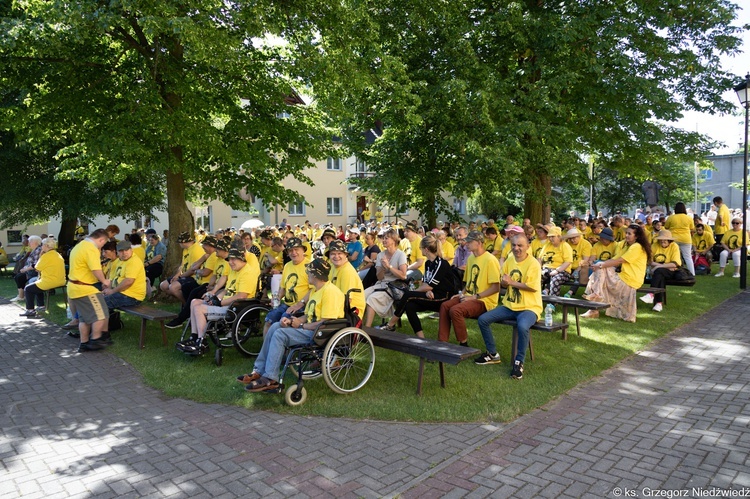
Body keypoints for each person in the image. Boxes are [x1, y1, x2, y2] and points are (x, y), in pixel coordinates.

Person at [237, 258, 344, 392]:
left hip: (319, 333)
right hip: (311, 329)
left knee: (280, 334)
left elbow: (325, 322)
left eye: (309, 272)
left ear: (316, 275)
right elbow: (311, 315)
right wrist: (292, 320)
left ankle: (271, 378)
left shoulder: (330, 292)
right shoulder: (316, 290)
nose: (307, 275)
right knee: (276, 326)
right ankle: (259, 370)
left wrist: (300, 326)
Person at [475, 234, 542, 380]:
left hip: (529, 307)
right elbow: (504, 281)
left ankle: (519, 362)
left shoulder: (533, 263)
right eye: (514, 245)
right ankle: (492, 354)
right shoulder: (510, 260)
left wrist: (510, 282)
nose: (516, 248)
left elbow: (532, 287)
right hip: (510, 305)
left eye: (520, 245)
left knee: (523, 326)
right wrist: (505, 282)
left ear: (527, 247)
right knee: (483, 319)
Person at [178, 248, 259, 353]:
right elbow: (226, 290)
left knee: (199, 309)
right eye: (229, 259)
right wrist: (215, 298)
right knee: (194, 302)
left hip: (236, 308)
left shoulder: (248, 273)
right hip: (226, 304)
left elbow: (241, 296)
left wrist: (219, 303)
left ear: (242, 259)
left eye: (233, 259)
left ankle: (202, 342)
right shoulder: (234, 271)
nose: (230, 262)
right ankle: (194, 337)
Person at [379, 233, 460, 337]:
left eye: (421, 248)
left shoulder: (441, 263)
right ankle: (421, 338)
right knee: (409, 305)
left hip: (444, 297)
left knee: (408, 295)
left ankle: (390, 324)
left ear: (426, 249)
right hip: (432, 294)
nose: (420, 250)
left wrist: (421, 290)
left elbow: (430, 286)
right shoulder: (428, 263)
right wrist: (427, 291)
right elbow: (427, 284)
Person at [438, 230, 500, 347]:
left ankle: (463, 343)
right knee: (445, 305)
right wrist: (461, 293)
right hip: (469, 297)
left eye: (470, 242)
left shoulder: (490, 260)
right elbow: (470, 281)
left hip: (484, 301)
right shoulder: (471, 258)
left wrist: (474, 297)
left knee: (455, 310)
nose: (467, 244)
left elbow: (496, 287)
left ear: (479, 243)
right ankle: (442, 342)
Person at [582, 224, 651, 322]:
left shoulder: (637, 247)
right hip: (624, 276)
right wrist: (600, 264)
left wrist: (601, 265)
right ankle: (594, 304)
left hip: (631, 280)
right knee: (600, 269)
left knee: (601, 268)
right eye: (626, 233)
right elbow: (615, 258)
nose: (626, 235)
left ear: (636, 236)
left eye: (629, 234)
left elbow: (619, 261)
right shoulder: (628, 246)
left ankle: (594, 305)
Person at [67, 229, 112, 351]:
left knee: (84, 318)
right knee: (101, 314)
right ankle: (95, 340)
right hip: (85, 289)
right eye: (103, 243)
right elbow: (95, 269)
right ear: (101, 239)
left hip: (74, 287)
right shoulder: (91, 249)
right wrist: (104, 281)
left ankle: (84, 343)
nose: (102, 246)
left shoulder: (79, 246)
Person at [262, 237, 313, 335]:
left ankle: (279, 348)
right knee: (268, 320)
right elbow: (283, 288)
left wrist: (300, 304)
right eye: (290, 250)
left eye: (296, 249)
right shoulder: (287, 266)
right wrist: (276, 298)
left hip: (303, 306)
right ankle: (266, 349)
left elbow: (313, 290)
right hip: (287, 304)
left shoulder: (309, 266)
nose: (293, 253)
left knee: (282, 322)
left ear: (303, 250)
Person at [363, 228, 408, 328]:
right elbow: (379, 277)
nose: (383, 240)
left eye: (386, 238)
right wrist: (383, 268)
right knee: (361, 296)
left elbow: (403, 275)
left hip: (395, 286)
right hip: (381, 284)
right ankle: (357, 325)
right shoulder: (381, 255)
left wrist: (389, 267)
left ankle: (367, 328)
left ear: (393, 240)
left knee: (372, 298)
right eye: (383, 238)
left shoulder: (401, 255)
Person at [19, 238, 66, 318]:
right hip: (61, 280)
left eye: (42, 245)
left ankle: (30, 310)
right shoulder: (57, 254)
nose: (41, 247)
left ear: (47, 246)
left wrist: (41, 255)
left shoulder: (46, 256)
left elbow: (37, 268)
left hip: (50, 281)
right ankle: (41, 306)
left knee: (28, 288)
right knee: (36, 283)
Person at [640, 230, 681, 312]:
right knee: (660, 275)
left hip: (671, 271)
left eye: (665, 241)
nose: (662, 242)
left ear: (669, 241)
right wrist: (660, 267)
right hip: (659, 271)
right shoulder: (654, 245)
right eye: (661, 240)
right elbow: (649, 261)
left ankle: (651, 294)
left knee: (659, 271)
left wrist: (657, 267)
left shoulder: (674, 246)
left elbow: (675, 264)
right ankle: (659, 303)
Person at [159, 231, 206, 303]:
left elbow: (193, 269)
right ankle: (186, 302)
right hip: (184, 275)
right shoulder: (185, 249)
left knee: (173, 288)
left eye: (179, 243)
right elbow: (182, 265)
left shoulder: (196, 250)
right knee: (163, 285)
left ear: (183, 242)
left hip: (193, 277)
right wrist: (177, 275)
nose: (179, 244)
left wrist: (180, 277)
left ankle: (187, 305)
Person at [327, 239, 366, 320]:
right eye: (333, 254)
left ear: (346, 255)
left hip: (351, 313)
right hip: (337, 307)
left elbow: (347, 301)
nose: (336, 256)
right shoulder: (333, 267)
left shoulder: (347, 271)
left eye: (339, 253)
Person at [538, 226, 572, 296]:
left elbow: (568, 262)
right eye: (549, 236)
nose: (550, 238)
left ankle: (552, 303)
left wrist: (557, 271)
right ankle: (534, 297)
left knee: (555, 279)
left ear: (559, 236)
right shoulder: (547, 245)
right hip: (547, 269)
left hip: (563, 271)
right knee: (536, 276)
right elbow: (539, 258)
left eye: (553, 236)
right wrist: (539, 268)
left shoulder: (565, 246)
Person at [664, 202, 695, 276]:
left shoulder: (671, 217)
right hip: (686, 239)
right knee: (688, 257)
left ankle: (672, 272)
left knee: (673, 256)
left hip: (674, 239)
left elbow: (666, 227)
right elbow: (692, 228)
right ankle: (692, 274)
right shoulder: (689, 218)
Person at [11, 235, 42, 303]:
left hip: (35, 272)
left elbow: (36, 264)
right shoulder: (34, 250)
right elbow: (30, 263)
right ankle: (21, 296)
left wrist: (25, 269)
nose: (28, 243)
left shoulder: (38, 250)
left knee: (20, 277)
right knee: (18, 276)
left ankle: (21, 296)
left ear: (35, 242)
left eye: (30, 242)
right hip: (30, 271)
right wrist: (25, 268)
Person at [562, 228, 592, 297]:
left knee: (577, 275)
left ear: (579, 236)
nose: (572, 240)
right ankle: (547, 290)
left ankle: (570, 292)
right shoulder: (567, 244)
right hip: (567, 266)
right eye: (570, 238)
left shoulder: (586, 244)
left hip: (580, 267)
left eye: (574, 238)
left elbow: (585, 260)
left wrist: (577, 270)